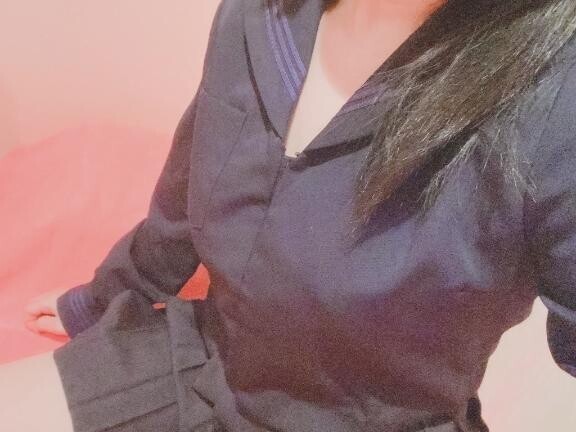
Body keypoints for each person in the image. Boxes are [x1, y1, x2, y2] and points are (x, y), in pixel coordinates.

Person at [3, 0, 576, 430]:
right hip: (204, 363)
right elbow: (182, 198)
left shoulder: (553, 101)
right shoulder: (260, 16)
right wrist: (100, 299)